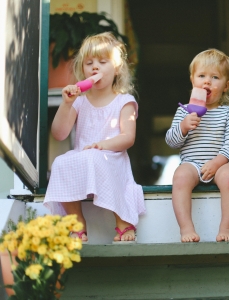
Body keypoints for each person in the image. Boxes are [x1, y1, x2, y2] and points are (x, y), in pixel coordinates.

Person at [44, 32, 145, 244]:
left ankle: (123, 220)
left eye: (102, 62)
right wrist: (67, 104)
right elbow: (59, 133)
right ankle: (77, 222)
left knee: (94, 157)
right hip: (84, 158)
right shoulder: (80, 101)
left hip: (112, 158)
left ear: (117, 68)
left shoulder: (124, 101)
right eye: (89, 63)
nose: (95, 68)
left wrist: (103, 145)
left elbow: (128, 137)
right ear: (82, 69)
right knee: (61, 162)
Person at [166, 49, 229, 243]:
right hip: (192, 164)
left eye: (215, 77)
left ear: (226, 85)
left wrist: (217, 163)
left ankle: (226, 227)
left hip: (219, 165)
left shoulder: (228, 113)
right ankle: (186, 228)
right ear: (193, 81)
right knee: (180, 176)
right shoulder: (184, 112)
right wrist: (183, 127)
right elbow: (172, 142)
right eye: (202, 76)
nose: (207, 81)